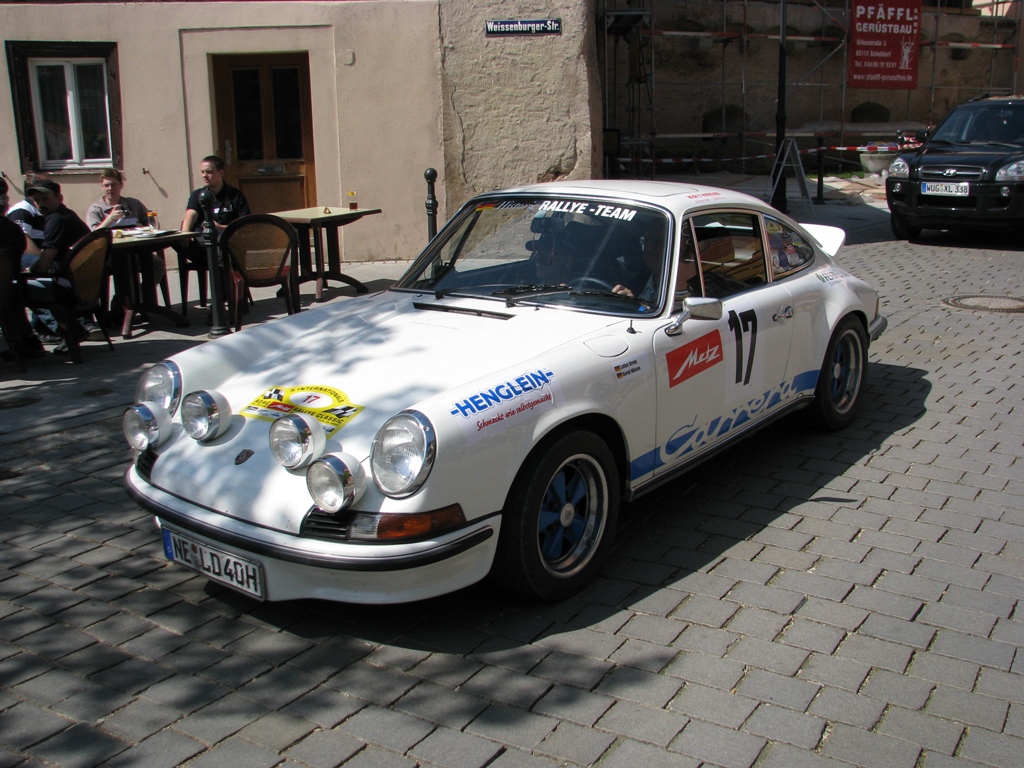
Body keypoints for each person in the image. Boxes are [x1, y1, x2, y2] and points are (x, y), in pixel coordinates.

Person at [22, 179, 97, 354]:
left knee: (18, 289)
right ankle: (65, 330)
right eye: (37, 200)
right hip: (85, 283)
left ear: (59, 198)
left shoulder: (57, 220)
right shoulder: (67, 215)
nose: (41, 204)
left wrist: (29, 271)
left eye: (46, 199)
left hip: (70, 286)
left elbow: (44, 263)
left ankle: (67, 332)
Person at [86, 168, 165, 313]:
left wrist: (146, 226)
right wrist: (110, 219)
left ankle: (136, 298)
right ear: (101, 186)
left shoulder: (133, 204)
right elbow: (95, 235)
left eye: (114, 185)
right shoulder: (96, 209)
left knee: (157, 264)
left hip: (135, 252)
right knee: (125, 267)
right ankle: (126, 303)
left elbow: (150, 223)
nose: (110, 189)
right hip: (110, 256)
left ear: (121, 186)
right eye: (107, 185)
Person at [0, 178, 43, 361]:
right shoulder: (14, 230)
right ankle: (26, 340)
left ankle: (24, 340)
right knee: (9, 293)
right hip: (6, 289)